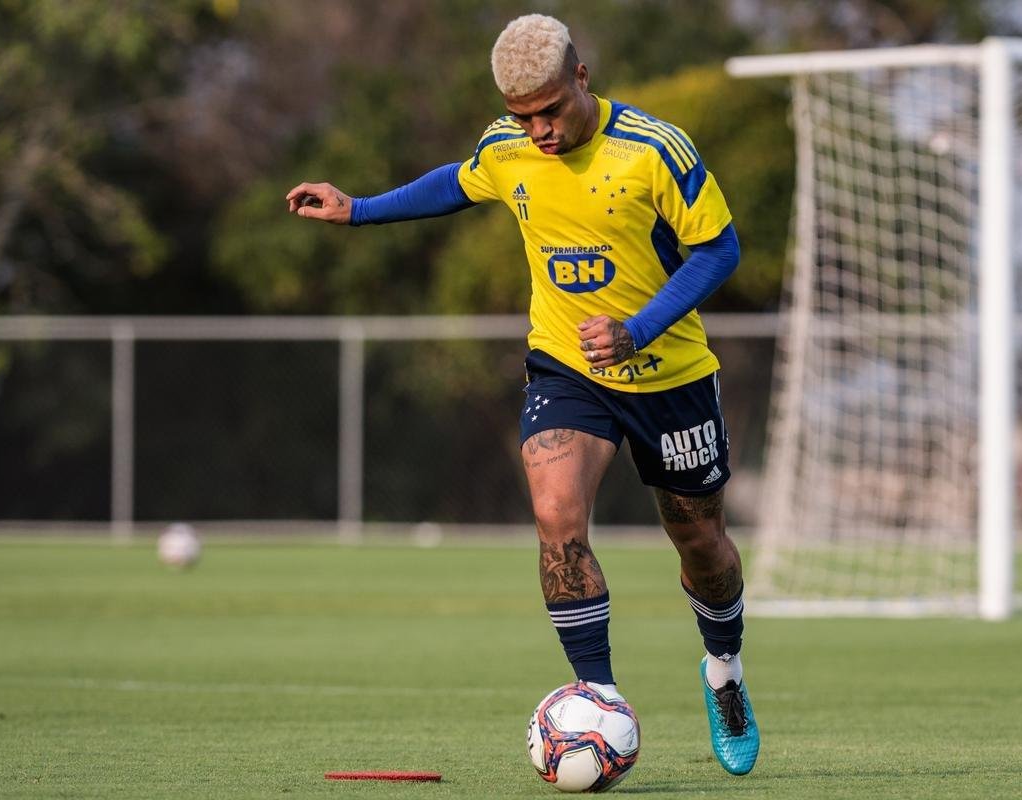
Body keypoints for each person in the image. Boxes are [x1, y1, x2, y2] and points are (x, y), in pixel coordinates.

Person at [286, 13, 758, 776]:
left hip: (669, 377)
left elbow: (720, 247)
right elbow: (460, 182)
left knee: (700, 542)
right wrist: (360, 208)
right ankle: (596, 698)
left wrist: (639, 328)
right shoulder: (506, 145)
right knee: (555, 513)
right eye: (521, 116)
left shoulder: (654, 149)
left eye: (550, 110)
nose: (537, 130)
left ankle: (725, 672)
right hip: (568, 369)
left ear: (582, 77)